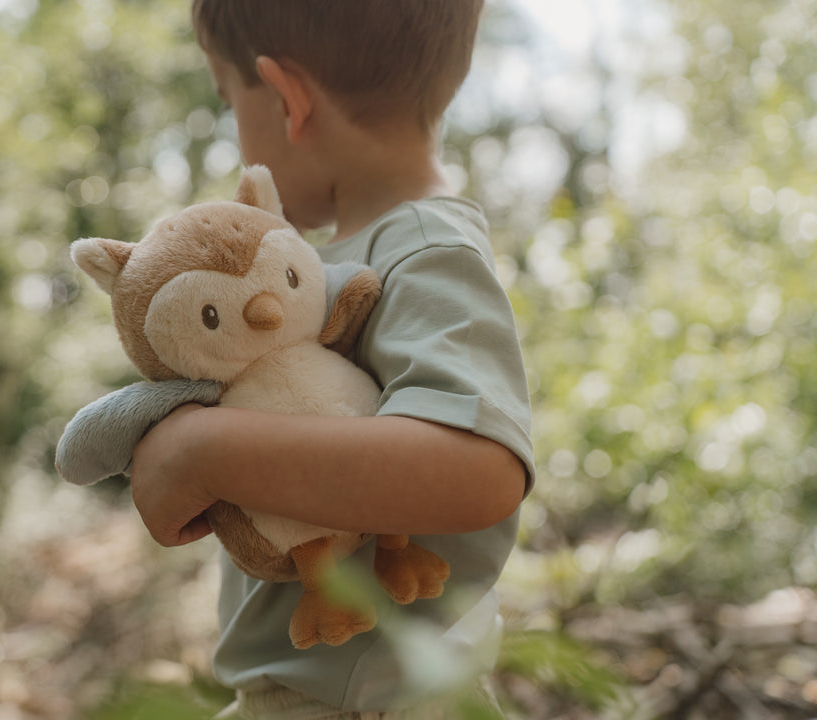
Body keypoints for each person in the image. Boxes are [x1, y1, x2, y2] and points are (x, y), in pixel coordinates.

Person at [129, 1, 534, 716]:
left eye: (230, 103)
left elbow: (480, 470)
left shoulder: (425, 251)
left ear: (287, 99)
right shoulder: (329, 266)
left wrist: (205, 450)